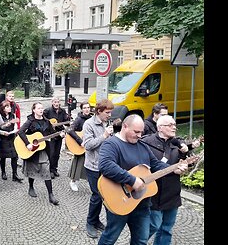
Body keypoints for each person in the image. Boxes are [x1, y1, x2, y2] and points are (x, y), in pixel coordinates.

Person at [97, 114, 188, 245]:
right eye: (136, 132)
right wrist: (132, 180)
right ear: (125, 126)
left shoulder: (142, 146)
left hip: (142, 203)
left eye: (141, 132)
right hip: (119, 199)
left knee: (141, 240)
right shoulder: (111, 144)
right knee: (110, 237)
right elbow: (106, 165)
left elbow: (155, 164)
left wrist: (174, 169)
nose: (140, 135)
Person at [140, 115, 200, 245]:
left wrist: (185, 162)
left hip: (172, 192)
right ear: (160, 128)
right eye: (170, 125)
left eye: (174, 124)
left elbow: (186, 163)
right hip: (153, 192)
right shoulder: (147, 142)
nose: (174, 127)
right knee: (153, 225)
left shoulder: (178, 143)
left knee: (167, 228)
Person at [17, 102, 63, 205]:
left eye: (42, 108)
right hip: (33, 150)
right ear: (34, 110)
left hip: (44, 150)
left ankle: (51, 195)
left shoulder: (47, 121)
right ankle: (31, 187)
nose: (41, 110)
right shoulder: (30, 121)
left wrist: (60, 135)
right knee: (32, 170)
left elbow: (52, 134)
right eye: (38, 108)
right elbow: (20, 132)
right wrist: (28, 143)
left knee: (46, 171)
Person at [81, 99, 115, 238]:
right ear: (99, 111)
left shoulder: (107, 122)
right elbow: (88, 145)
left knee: (104, 195)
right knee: (96, 195)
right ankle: (90, 223)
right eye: (107, 112)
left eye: (110, 112)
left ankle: (96, 220)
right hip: (93, 166)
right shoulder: (88, 124)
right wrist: (105, 135)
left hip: (106, 164)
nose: (109, 115)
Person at [66, 102, 93, 192]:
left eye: (88, 107)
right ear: (81, 109)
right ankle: (73, 181)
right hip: (81, 146)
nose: (87, 109)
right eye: (84, 108)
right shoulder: (79, 119)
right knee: (79, 164)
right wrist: (80, 141)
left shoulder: (92, 119)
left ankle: (91, 182)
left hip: (90, 145)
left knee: (91, 164)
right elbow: (70, 130)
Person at [43, 97, 71, 178]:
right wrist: (50, 123)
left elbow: (66, 122)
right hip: (51, 135)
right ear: (52, 102)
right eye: (55, 102)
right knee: (51, 153)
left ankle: (55, 169)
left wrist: (68, 119)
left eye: (58, 102)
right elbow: (44, 120)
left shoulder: (62, 111)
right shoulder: (47, 111)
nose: (56, 104)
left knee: (57, 153)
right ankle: (50, 170)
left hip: (60, 134)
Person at [0, 101, 23, 183]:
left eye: (9, 107)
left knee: (14, 156)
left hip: (12, 137)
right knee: (3, 156)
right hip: (3, 138)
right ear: (3, 109)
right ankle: (3, 172)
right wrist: (4, 128)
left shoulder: (12, 115)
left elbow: (15, 124)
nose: (10, 108)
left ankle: (15, 174)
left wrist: (15, 130)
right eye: (7, 107)